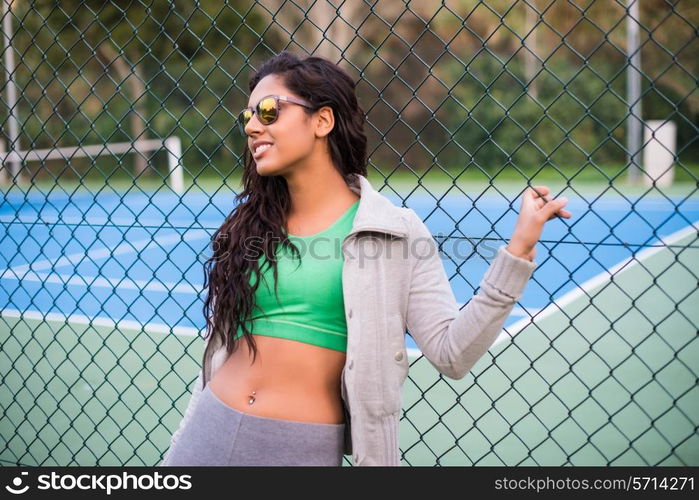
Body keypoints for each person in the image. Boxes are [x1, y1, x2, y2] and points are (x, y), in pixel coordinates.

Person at [159, 50, 572, 467]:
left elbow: (453, 353)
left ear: (322, 121)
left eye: (268, 111)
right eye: (247, 114)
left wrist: (517, 252)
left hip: (300, 446)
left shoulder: (394, 229)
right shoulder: (251, 224)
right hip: (210, 429)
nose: (251, 125)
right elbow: (217, 358)